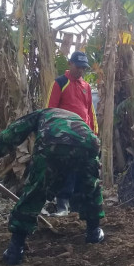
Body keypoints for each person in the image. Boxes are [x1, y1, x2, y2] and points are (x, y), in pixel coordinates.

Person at [0, 108, 105, 266]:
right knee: (90, 186)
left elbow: (11, 135)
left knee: (36, 190)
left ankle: (15, 250)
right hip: (89, 142)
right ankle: (94, 233)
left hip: (53, 141)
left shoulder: (40, 115)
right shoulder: (75, 118)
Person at [46, 51, 98, 216]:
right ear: (70, 64)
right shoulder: (60, 83)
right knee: (66, 169)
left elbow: (90, 112)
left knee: (83, 170)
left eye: (83, 68)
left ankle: (78, 205)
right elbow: (50, 110)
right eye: (78, 67)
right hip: (65, 136)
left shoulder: (86, 86)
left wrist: (94, 133)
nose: (81, 70)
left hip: (84, 136)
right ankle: (62, 204)